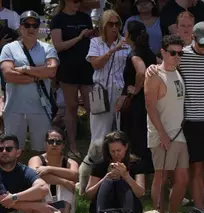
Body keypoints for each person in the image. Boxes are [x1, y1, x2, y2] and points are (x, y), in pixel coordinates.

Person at [148, 22, 204, 210]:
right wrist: (150, 68)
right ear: (193, 39)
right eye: (201, 44)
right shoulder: (182, 54)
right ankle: (201, 211)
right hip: (191, 122)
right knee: (197, 170)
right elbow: (164, 67)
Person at [145, 34, 188, 213]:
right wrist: (162, 134)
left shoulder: (178, 71)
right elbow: (150, 107)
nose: (177, 56)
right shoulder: (154, 75)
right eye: (173, 53)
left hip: (180, 133)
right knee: (161, 177)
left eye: (180, 53)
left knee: (182, 178)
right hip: (161, 134)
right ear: (163, 52)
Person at [1, 11, 58, 153]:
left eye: (35, 25)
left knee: (42, 151)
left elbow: (51, 71)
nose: (31, 29)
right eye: (27, 25)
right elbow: (8, 74)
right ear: (20, 27)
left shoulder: (47, 48)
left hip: (40, 108)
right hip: (14, 109)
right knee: (11, 151)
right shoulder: (8, 48)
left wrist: (25, 69)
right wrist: (37, 76)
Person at [0, 135, 63, 213]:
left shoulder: (24, 170)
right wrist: (37, 206)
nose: (4, 152)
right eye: (0, 149)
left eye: (8, 148)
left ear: (18, 152)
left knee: (39, 197)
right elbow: (4, 202)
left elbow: (43, 188)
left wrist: (15, 197)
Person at [51, 0, 95, 154]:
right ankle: (72, 145)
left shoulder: (85, 17)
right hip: (68, 67)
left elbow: (91, 40)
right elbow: (58, 46)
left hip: (86, 67)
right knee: (72, 106)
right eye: (75, 1)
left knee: (91, 106)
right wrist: (80, 37)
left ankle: (94, 143)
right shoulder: (58, 19)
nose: (78, 3)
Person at [85, 131, 146, 213]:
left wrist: (126, 175)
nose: (116, 154)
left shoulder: (136, 163)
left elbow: (140, 192)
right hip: (105, 206)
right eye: (112, 151)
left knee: (122, 182)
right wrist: (106, 177)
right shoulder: (100, 164)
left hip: (129, 206)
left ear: (126, 147)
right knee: (108, 182)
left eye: (119, 150)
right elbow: (88, 194)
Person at [116, 20, 157, 173]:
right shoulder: (149, 53)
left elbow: (141, 71)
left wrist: (136, 89)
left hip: (136, 103)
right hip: (147, 100)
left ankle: (136, 172)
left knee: (134, 137)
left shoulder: (135, 54)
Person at [86, 10, 130, 142]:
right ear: (103, 26)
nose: (114, 27)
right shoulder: (95, 42)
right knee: (99, 134)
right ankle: (96, 160)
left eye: (117, 24)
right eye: (110, 24)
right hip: (100, 92)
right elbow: (95, 64)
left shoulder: (126, 42)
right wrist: (112, 50)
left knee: (119, 133)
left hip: (120, 92)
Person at [27, 129, 79, 213]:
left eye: (58, 142)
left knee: (70, 184)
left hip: (63, 203)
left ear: (63, 145)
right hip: (44, 202)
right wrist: (62, 180)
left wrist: (49, 169)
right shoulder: (36, 159)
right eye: (51, 141)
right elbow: (33, 175)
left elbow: (75, 175)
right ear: (45, 143)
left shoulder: (70, 162)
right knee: (42, 184)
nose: (54, 145)